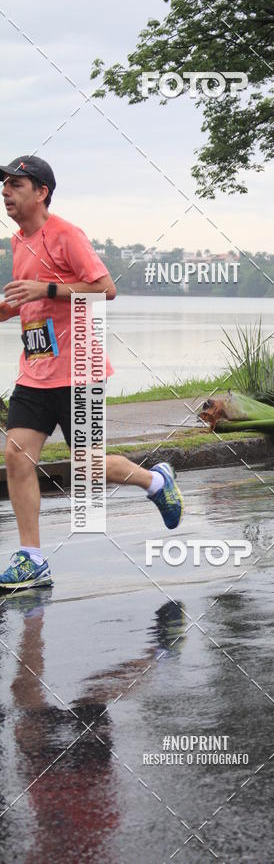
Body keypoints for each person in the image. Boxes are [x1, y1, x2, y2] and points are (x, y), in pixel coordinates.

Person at [0, 155, 184, 591]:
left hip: (78, 370)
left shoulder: (65, 233)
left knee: (86, 465)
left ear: (42, 191)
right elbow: (24, 302)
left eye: (16, 184)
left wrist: (45, 288)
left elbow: (105, 289)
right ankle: (32, 557)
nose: (6, 192)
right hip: (35, 370)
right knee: (16, 455)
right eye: (4, 185)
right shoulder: (17, 242)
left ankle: (156, 480)